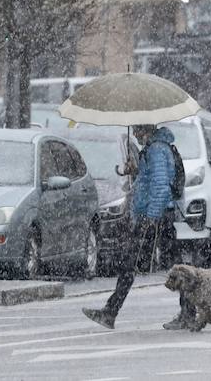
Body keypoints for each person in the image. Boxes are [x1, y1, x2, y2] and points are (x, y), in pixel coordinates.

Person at [83, 123, 192, 331]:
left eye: (137, 131)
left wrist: (151, 218)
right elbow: (151, 180)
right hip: (157, 216)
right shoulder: (154, 149)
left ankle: (111, 312)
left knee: (137, 264)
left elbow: (160, 185)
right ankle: (189, 312)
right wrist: (136, 170)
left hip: (154, 217)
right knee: (168, 265)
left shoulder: (157, 149)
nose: (134, 135)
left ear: (146, 130)